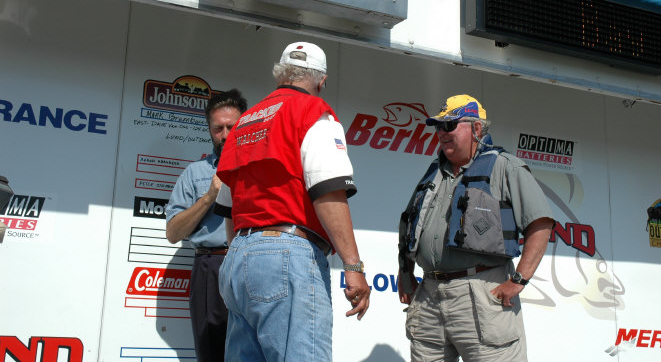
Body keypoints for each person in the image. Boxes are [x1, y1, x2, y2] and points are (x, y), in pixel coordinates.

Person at [215, 42, 370, 362]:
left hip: (237, 258)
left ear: (280, 74)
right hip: (286, 254)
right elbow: (328, 192)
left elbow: (229, 208)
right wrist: (353, 267)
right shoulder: (313, 112)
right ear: (321, 81)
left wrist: (243, 256)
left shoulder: (244, 122)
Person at [398, 94, 555, 362]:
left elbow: (540, 223)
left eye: (450, 125)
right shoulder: (434, 171)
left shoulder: (505, 166)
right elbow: (410, 223)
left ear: (477, 128)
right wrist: (405, 273)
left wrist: (518, 280)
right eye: (438, 127)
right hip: (429, 295)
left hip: (481, 293)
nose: (442, 133)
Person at [165, 89, 248, 362]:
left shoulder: (261, 169)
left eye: (231, 127)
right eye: (218, 128)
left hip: (253, 264)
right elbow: (173, 233)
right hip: (211, 267)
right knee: (211, 352)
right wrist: (209, 197)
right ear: (209, 130)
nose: (225, 135)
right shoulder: (195, 173)